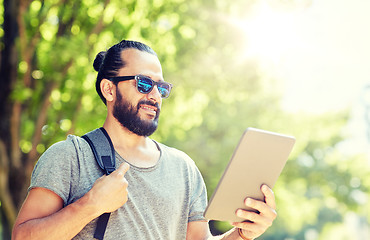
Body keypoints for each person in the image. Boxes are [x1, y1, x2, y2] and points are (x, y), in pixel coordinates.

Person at [12, 40, 277, 240]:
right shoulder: (70, 156)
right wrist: (90, 205)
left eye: (160, 87)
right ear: (109, 88)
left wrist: (242, 234)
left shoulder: (183, 168)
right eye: (143, 83)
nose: (154, 95)